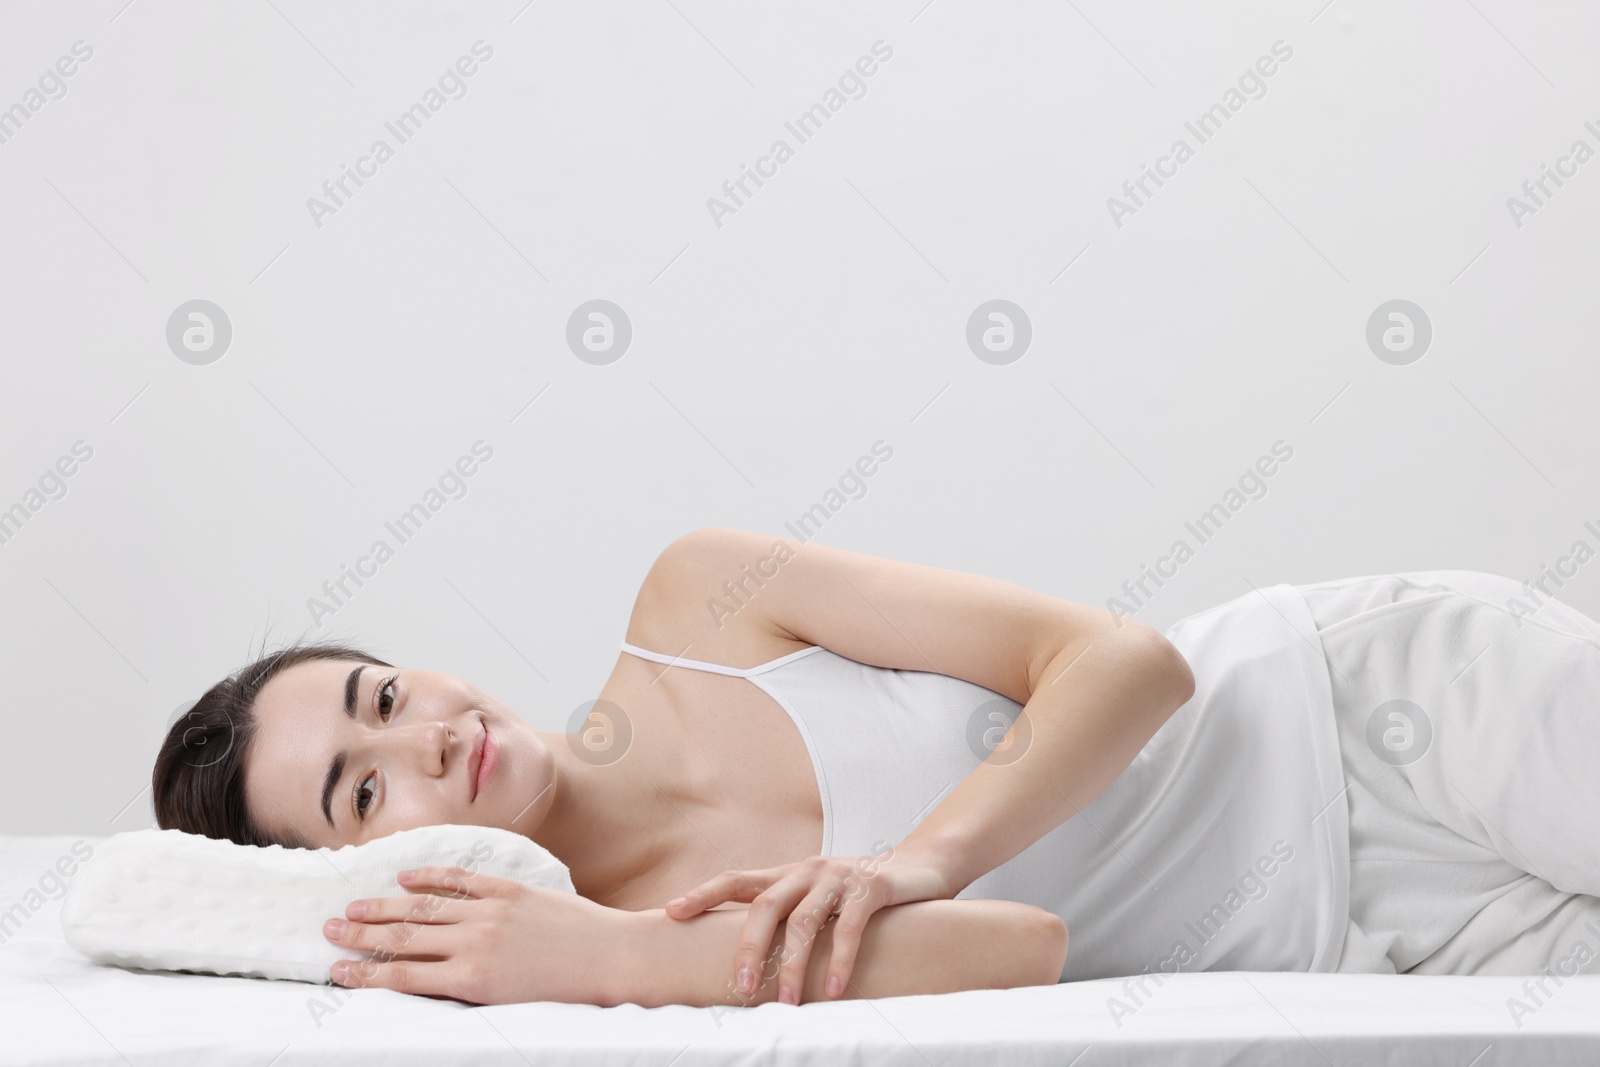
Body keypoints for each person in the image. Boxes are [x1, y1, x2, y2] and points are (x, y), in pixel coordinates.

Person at [152, 527, 1600, 1009]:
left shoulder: (699, 603)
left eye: (385, 694)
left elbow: (1127, 663)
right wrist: (609, 958)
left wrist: (915, 857)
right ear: (369, 872)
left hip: (1376, 713)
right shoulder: (608, 968)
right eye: (362, 789)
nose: (427, 739)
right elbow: (1022, 949)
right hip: (1367, 944)